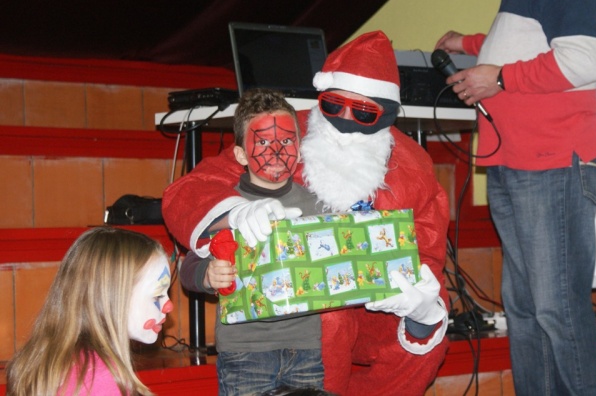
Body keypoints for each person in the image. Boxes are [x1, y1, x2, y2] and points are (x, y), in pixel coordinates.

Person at [164, 30, 451, 396]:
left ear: (388, 114)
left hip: (375, 308)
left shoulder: (413, 168)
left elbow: (427, 255)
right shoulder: (285, 132)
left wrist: (422, 310)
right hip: (300, 317)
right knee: (329, 320)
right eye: (332, 105)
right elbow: (190, 189)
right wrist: (235, 213)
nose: (344, 119)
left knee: (430, 331)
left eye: (364, 112)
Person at [434, 0, 596, 394]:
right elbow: (528, 46)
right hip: (517, 162)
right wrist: (469, 44)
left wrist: (497, 78)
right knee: (526, 309)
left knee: (557, 309)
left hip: (553, 162)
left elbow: (582, 61)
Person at [179, 88, 326, 395]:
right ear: (241, 154)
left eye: (286, 141)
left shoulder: (318, 205)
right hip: (245, 351)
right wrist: (207, 274)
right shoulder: (224, 208)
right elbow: (188, 266)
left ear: (299, 149)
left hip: (306, 347)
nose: (276, 152)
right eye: (263, 142)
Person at [6, 226, 173, 396]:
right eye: (157, 295)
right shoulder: (100, 378)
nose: (169, 306)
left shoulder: (48, 360)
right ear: (112, 297)